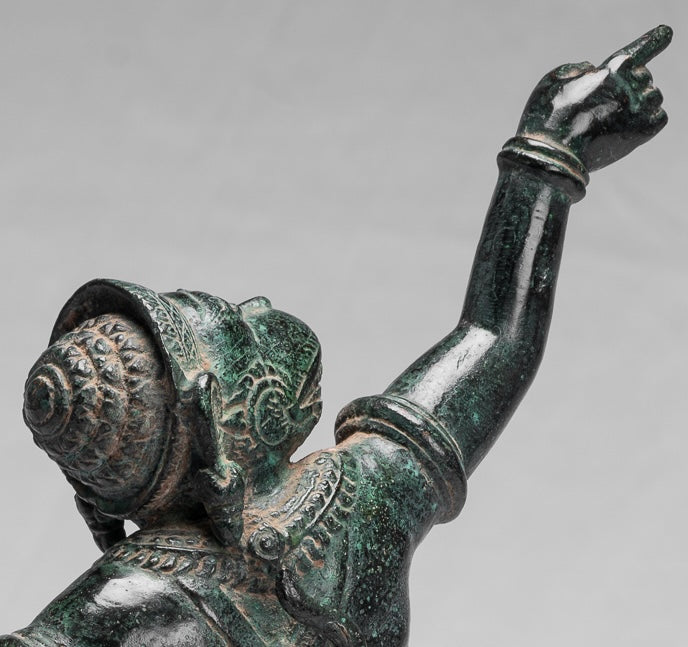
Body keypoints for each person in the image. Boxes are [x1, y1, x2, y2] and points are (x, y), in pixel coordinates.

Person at [1, 25, 672, 647]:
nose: (259, 306)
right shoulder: (352, 505)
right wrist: (547, 152)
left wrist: (551, 143)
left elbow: (490, 339)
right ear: (233, 417)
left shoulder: (133, 590)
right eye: (238, 324)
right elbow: (494, 337)